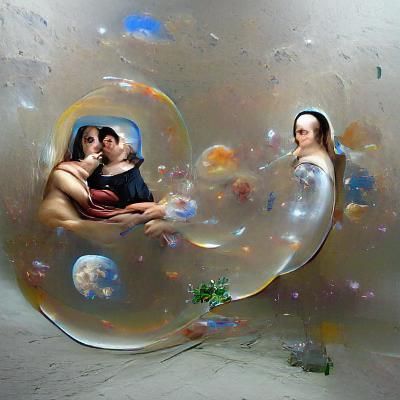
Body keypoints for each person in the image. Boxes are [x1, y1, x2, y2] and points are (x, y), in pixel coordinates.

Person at [38, 125, 161, 243]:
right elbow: (90, 205)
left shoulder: (122, 174)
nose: (99, 146)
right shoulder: (65, 172)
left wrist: (147, 215)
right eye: (90, 140)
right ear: (80, 148)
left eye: (101, 141)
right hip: (70, 232)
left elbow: (138, 203)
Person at [292, 110, 335, 182]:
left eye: (303, 132)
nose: (297, 137)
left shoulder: (308, 169)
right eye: (297, 132)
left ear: (320, 136)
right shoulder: (323, 159)